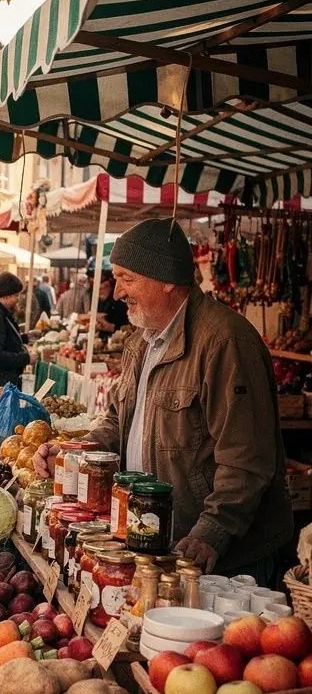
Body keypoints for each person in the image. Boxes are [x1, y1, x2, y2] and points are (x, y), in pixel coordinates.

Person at [33, 218, 293, 581]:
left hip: (222, 562)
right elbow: (116, 422)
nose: (118, 291)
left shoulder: (225, 343)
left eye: (127, 278)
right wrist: (76, 452)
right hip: (153, 539)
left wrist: (213, 531)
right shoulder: (142, 340)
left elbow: (247, 459)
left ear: (167, 279)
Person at [88, 259, 129, 334]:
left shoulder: (118, 300)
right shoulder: (98, 299)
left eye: (97, 281)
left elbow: (126, 327)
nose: (93, 285)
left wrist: (110, 327)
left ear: (107, 282)